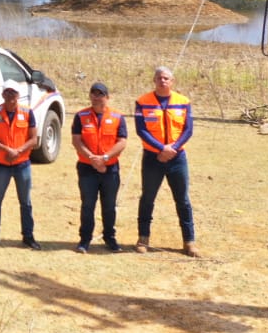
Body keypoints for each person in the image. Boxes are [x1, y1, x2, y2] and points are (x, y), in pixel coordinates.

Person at [134, 66, 200, 257]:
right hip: (152, 158)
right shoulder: (142, 102)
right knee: (148, 198)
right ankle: (143, 238)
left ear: (172, 81)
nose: (162, 81)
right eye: (159, 78)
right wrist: (161, 148)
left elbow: (188, 129)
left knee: (183, 200)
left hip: (177, 158)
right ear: (154, 80)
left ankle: (189, 241)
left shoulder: (183, 102)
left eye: (166, 78)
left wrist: (173, 148)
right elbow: (141, 130)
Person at [71, 82, 128, 254]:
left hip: (110, 169)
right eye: (93, 94)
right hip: (87, 168)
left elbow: (122, 142)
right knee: (88, 205)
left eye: (100, 94)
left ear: (107, 97)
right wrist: (92, 158)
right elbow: (76, 140)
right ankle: (85, 239)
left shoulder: (118, 117)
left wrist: (104, 158)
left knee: (109, 205)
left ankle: (110, 238)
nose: (96, 97)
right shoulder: (81, 116)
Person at [0, 84, 40, 250]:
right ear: (3, 94)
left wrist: (19, 151)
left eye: (13, 92)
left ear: (18, 95)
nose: (10, 95)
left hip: (22, 164)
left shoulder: (27, 112)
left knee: (26, 202)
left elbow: (34, 139)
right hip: (1, 164)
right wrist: (6, 150)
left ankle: (28, 237)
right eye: (7, 92)